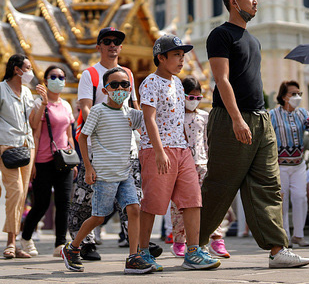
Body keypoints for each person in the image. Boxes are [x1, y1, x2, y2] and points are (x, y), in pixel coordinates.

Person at [201, 0, 309, 268]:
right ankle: (193, 245)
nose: (255, 1)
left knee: (268, 185)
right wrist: (237, 119)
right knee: (220, 186)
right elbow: (221, 79)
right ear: (234, 2)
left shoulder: (253, 39)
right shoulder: (220, 35)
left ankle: (278, 250)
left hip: (261, 118)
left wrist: (258, 119)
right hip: (230, 118)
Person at [137, 34, 220, 271]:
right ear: (161, 58)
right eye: (176, 55)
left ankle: (193, 252)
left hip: (182, 150)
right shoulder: (150, 83)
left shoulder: (176, 82)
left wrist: (184, 146)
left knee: (193, 200)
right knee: (153, 204)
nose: (182, 60)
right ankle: (141, 253)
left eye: (183, 55)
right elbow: (149, 118)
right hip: (157, 150)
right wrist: (159, 151)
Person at [61, 67, 153, 274]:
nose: (120, 88)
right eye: (115, 84)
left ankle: (133, 257)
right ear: (105, 89)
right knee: (99, 217)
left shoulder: (131, 114)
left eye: (124, 84)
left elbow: (151, 118)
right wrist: (88, 167)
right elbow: (83, 137)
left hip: (125, 173)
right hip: (104, 175)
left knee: (134, 209)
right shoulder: (98, 111)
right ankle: (73, 248)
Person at [71, 27, 142, 261]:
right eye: (107, 41)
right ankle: (82, 243)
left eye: (117, 42)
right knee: (87, 199)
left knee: (133, 202)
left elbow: (135, 107)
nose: (113, 45)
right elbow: (86, 107)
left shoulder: (128, 74)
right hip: (96, 146)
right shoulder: (90, 74)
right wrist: (101, 130)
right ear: (99, 46)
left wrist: (140, 134)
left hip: (125, 146)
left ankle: (136, 248)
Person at [170, 76, 230, 258]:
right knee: (179, 206)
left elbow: (207, 142)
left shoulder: (205, 116)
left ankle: (217, 239)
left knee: (210, 202)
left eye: (198, 98)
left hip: (202, 164)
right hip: (180, 167)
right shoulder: (173, 116)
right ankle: (179, 241)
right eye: (190, 97)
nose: (194, 101)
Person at [21, 65, 76, 257]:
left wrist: (74, 158)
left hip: (64, 160)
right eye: (53, 76)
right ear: (45, 81)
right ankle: (26, 237)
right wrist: (44, 103)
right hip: (43, 160)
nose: (57, 80)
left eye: (61, 77)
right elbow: (33, 127)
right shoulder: (38, 104)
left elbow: (69, 134)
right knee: (41, 204)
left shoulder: (67, 105)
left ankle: (60, 244)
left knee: (64, 204)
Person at [0, 54, 33, 259]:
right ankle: (11, 243)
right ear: (16, 69)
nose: (31, 72)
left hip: (28, 145)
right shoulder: (0, 88)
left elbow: (34, 121)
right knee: (16, 190)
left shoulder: (29, 92)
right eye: (27, 68)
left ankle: (15, 241)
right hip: (7, 146)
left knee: (21, 195)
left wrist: (44, 102)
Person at [269, 81, 309, 247]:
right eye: (293, 94)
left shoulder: (302, 113)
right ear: (283, 97)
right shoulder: (273, 114)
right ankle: (284, 236)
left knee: (300, 197)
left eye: (299, 93)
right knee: (282, 200)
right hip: (280, 165)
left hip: (299, 164)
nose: (297, 97)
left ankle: (299, 235)